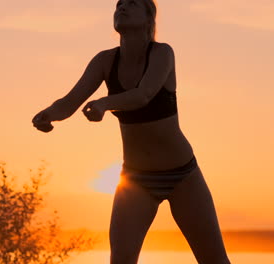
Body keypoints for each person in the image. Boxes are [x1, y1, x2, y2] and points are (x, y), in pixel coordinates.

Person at [31, 0, 232, 263]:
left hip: (183, 175)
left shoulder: (162, 53)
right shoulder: (105, 60)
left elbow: (144, 95)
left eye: (132, 3)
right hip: (136, 180)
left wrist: (105, 103)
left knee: (214, 260)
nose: (122, 7)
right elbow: (69, 103)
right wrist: (48, 115)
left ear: (149, 18)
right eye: (119, 4)